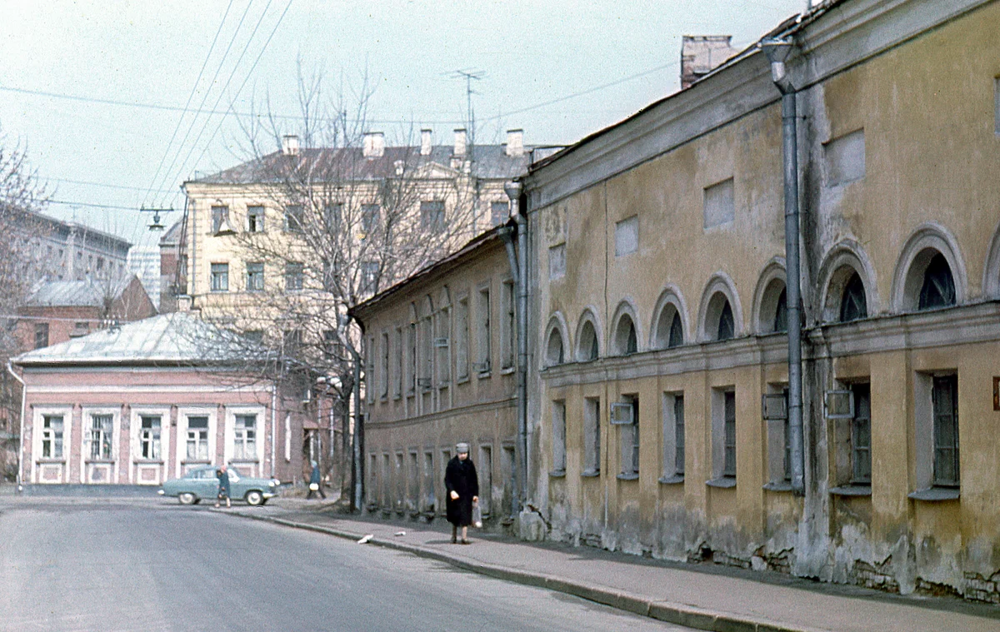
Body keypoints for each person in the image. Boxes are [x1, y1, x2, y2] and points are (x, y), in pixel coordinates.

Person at [444, 442, 479, 544]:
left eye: (465, 453)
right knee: (455, 517)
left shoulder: (470, 464)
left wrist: (475, 494)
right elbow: (447, 479)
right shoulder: (452, 464)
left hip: (466, 495)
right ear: (457, 453)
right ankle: (453, 536)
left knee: (465, 516)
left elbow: (474, 480)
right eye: (461, 453)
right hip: (454, 495)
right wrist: (451, 490)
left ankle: (464, 538)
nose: (463, 455)